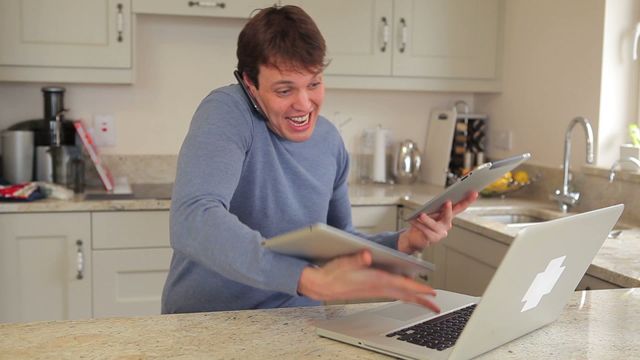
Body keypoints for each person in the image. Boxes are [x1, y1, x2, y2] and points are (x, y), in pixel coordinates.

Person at [161, 5, 477, 314]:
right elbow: (193, 218)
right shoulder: (228, 111)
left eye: (314, 84)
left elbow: (339, 240)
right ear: (250, 84)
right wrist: (304, 279)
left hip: (298, 321)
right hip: (211, 321)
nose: (304, 104)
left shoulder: (328, 141)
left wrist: (405, 242)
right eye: (285, 90)